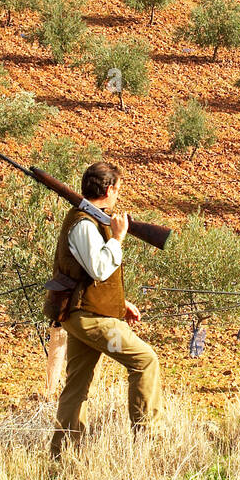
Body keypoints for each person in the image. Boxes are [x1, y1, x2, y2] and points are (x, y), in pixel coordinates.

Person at [49, 162, 160, 458]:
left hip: (89, 312)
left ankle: (64, 456)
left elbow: (83, 274)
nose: (117, 196)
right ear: (109, 190)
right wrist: (118, 238)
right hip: (88, 317)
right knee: (145, 361)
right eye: (117, 190)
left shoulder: (88, 220)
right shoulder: (84, 224)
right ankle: (146, 443)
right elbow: (98, 268)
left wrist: (118, 303)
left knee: (77, 382)